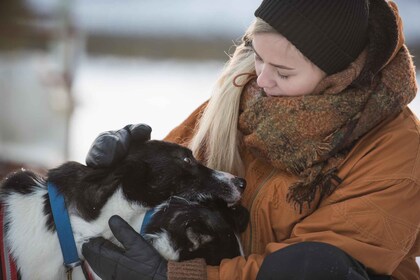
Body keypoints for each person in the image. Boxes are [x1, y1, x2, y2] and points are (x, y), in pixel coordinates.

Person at [81, 0, 420, 279]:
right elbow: (177, 180)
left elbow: (313, 270)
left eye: (284, 72)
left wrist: (180, 276)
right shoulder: (250, 94)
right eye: (258, 57)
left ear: (339, 76)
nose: (262, 79)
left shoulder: (396, 153)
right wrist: (126, 166)